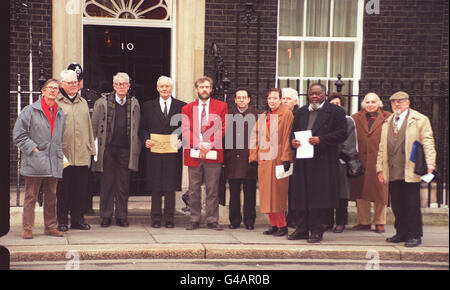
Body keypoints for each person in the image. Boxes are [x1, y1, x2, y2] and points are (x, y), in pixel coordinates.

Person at [289, 83, 347, 243]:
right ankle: (301, 229)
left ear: (324, 94)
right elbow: (292, 133)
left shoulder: (336, 112)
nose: (314, 96)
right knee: (301, 196)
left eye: (318, 94)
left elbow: (342, 133)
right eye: (311, 93)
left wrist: (322, 139)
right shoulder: (301, 112)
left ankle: (316, 230)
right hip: (302, 159)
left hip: (322, 161)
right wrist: (292, 142)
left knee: (318, 198)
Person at [377, 91, 436, 247]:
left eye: (401, 101)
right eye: (394, 102)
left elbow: (428, 142)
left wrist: (430, 163)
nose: (397, 104)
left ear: (408, 103)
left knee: (411, 203)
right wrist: (379, 169)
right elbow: (382, 148)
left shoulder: (420, 120)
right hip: (393, 168)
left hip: (410, 168)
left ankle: (414, 235)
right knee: (397, 204)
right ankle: (401, 233)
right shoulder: (387, 122)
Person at [13, 79, 66, 239]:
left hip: (53, 159)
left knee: (52, 195)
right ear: (43, 91)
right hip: (35, 159)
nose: (53, 91)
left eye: (56, 89)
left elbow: (59, 136)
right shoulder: (30, 110)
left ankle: (50, 226)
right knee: (31, 196)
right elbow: (19, 135)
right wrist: (34, 149)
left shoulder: (60, 112)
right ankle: (27, 228)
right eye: (50, 88)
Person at [91, 72, 141, 228]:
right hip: (107, 149)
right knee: (106, 184)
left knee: (123, 184)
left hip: (125, 150)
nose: (121, 87)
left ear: (128, 86)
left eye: (124, 84)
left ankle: (121, 216)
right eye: (118, 84)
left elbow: (137, 128)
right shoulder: (102, 102)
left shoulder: (134, 103)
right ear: (113, 86)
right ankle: (105, 216)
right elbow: (93, 126)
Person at [181, 76, 228, 231]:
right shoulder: (187, 108)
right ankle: (194, 219)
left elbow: (222, 128)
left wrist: (209, 144)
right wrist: (199, 144)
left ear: (211, 88)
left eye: (207, 87)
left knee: (212, 188)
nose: (204, 90)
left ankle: (212, 220)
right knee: (194, 189)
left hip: (213, 153)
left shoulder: (221, 107)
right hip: (194, 153)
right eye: (201, 87)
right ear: (197, 89)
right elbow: (186, 130)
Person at [139, 76, 186, 228]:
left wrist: (182, 141)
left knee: (170, 187)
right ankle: (156, 218)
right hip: (154, 151)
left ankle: (170, 219)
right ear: (157, 88)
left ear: (171, 88)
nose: (164, 89)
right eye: (162, 86)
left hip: (173, 152)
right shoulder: (147, 106)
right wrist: (146, 139)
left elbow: (186, 129)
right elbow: (142, 128)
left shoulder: (181, 106)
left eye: (167, 86)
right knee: (156, 186)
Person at [249, 88, 294, 237]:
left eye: (275, 98)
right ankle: (273, 224)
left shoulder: (287, 114)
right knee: (266, 194)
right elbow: (254, 137)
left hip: (278, 159)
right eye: (270, 98)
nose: (272, 101)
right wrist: (254, 157)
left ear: (281, 99)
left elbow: (288, 136)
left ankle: (283, 225)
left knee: (278, 194)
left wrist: (287, 158)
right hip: (264, 160)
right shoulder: (263, 116)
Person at [56, 70, 96, 232]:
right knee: (64, 189)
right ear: (62, 84)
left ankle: (78, 220)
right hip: (63, 154)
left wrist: (92, 150)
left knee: (80, 190)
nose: (74, 85)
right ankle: (62, 220)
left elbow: (89, 127)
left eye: (76, 82)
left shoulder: (83, 103)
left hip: (81, 153)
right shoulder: (57, 103)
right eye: (70, 83)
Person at [350, 92, 391, 233]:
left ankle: (380, 222)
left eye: (373, 102)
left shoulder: (388, 117)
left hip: (379, 160)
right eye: (367, 102)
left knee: (380, 191)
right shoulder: (356, 117)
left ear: (378, 103)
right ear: (364, 104)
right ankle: (364, 221)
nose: (370, 105)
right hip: (360, 159)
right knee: (361, 192)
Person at [67, 62, 100, 215]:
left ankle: (86, 205)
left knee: (88, 177)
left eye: (78, 80)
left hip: (87, 142)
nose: (76, 83)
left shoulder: (91, 96)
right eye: (73, 80)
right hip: (68, 144)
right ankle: (69, 207)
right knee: (68, 178)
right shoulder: (62, 98)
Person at [224, 88, 259, 230]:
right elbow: (224, 137)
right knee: (233, 192)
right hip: (232, 159)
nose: (242, 100)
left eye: (244, 97)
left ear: (249, 99)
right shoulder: (228, 115)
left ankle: (249, 221)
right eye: (239, 97)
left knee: (250, 192)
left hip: (250, 159)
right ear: (235, 99)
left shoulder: (257, 115)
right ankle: (234, 220)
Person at [326, 93, 358, 233]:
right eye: (332, 104)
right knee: (326, 194)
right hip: (326, 162)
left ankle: (341, 222)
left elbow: (351, 141)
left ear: (342, 105)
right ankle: (327, 221)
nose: (334, 106)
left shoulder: (348, 121)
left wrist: (341, 156)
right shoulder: (325, 120)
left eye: (337, 104)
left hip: (341, 162)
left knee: (341, 195)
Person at [281, 87, 300, 228]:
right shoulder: (280, 114)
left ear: (295, 101)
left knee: (295, 189)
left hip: (296, 155)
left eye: (288, 99)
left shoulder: (299, 114)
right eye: (283, 98)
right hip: (282, 155)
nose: (285, 101)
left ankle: (294, 218)